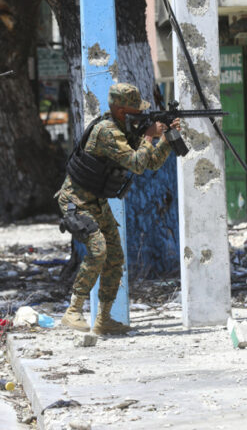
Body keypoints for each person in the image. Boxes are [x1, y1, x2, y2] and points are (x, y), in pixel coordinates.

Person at [58, 82, 180, 335]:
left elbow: (152, 163)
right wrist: (149, 136)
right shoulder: (107, 131)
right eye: (136, 112)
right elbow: (136, 164)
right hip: (76, 200)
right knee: (98, 250)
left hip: (96, 202)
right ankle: (73, 311)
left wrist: (167, 138)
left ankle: (103, 320)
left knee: (115, 258)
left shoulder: (126, 132)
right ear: (122, 111)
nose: (140, 117)